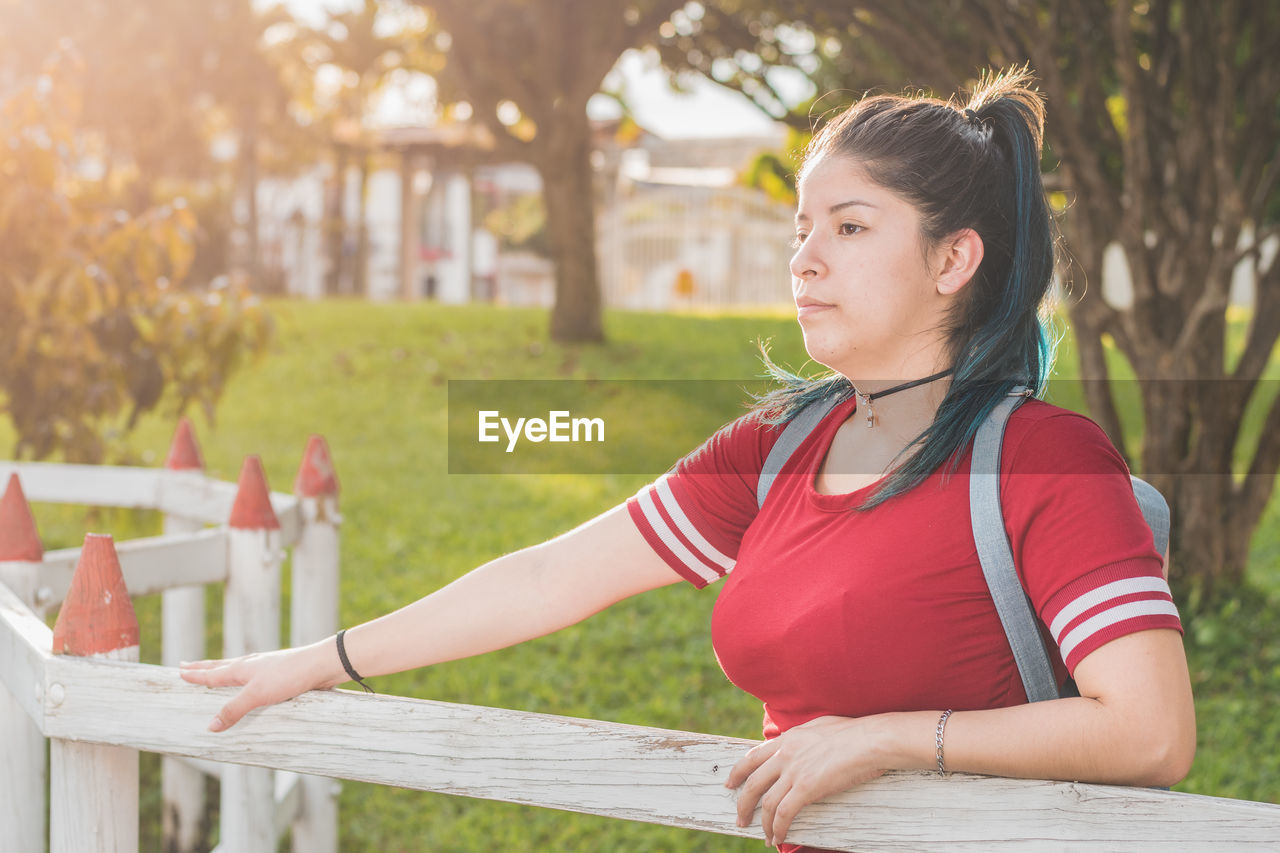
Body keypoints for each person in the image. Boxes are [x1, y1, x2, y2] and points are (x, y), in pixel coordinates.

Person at [180, 67, 1195, 852]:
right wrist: (315, 660)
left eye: (848, 226)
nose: (804, 257)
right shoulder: (778, 446)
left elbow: (1148, 735)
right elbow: (548, 574)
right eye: (800, 228)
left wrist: (885, 736)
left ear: (950, 258)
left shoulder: (1044, 459)